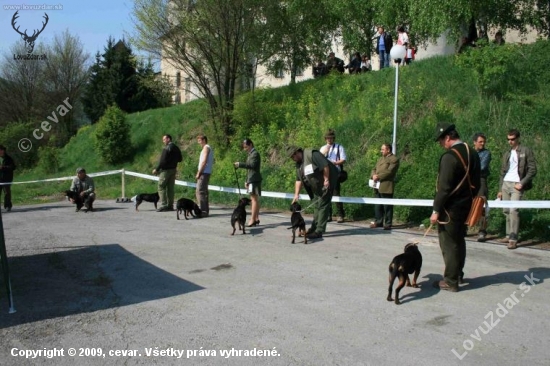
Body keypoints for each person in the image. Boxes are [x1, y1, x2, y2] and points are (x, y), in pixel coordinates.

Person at [431, 123, 480, 292]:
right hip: (467, 206)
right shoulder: (472, 153)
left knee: (449, 243)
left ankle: (451, 281)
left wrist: (436, 210)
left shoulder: (449, 157)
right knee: (459, 240)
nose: (440, 144)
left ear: (448, 137)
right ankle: (458, 274)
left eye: (441, 141)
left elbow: (444, 188)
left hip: (450, 209)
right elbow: (478, 182)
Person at [497, 129, 537, 249]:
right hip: (506, 183)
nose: (510, 141)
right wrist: (500, 188)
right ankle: (508, 234)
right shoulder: (507, 153)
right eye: (508, 139)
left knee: (514, 210)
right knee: (506, 210)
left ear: (518, 138)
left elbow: (532, 169)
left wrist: (522, 183)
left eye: (512, 139)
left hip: (516, 184)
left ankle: (513, 238)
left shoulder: (525, 150)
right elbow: (502, 172)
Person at [289, 145, 338, 239]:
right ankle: (313, 228)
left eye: (292, 156)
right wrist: (296, 194)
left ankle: (319, 231)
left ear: (296, 153)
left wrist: (326, 179)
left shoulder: (312, 154)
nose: (292, 159)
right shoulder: (299, 163)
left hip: (328, 180)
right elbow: (298, 180)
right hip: (316, 185)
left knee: (323, 205)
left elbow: (325, 165)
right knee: (317, 206)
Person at [369, 143, 400, 230]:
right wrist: (373, 175)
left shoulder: (394, 159)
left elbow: (389, 172)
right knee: (378, 205)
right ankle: (378, 222)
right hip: (377, 185)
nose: (381, 151)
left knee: (387, 206)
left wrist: (378, 176)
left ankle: (388, 223)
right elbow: (374, 169)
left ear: (388, 150)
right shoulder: (380, 159)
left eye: (383, 149)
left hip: (386, 185)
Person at [320, 129, 346, 223]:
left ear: (333, 138)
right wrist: (324, 153)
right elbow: (319, 159)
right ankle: (328, 215)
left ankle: (340, 214)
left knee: (336, 193)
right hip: (325, 173)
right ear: (325, 139)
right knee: (326, 194)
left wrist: (334, 163)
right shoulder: (323, 148)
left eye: (331, 138)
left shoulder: (339, 147)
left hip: (335, 172)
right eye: (328, 138)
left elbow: (343, 159)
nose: (329, 140)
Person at [234, 139, 262, 226]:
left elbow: (252, 166)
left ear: (251, 145)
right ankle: (256, 218)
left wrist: (240, 164)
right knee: (255, 199)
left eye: (246, 147)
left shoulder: (255, 154)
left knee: (253, 199)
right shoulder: (250, 154)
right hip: (252, 179)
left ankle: (253, 219)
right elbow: (249, 170)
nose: (245, 149)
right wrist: (247, 180)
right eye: (244, 147)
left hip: (254, 179)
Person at [153, 134, 182, 212]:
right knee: (170, 189)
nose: (163, 141)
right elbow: (180, 159)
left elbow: (162, 161)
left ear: (168, 139)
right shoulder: (176, 148)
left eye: (164, 139)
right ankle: (170, 205)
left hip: (165, 170)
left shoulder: (166, 148)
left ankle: (164, 205)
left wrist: (157, 169)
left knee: (161, 187)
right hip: (173, 170)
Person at [472, 133, 491, 242]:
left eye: (484, 142)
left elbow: (482, 167)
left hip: (480, 179)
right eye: (480, 142)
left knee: (482, 205)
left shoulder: (486, 153)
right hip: (469, 180)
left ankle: (482, 231)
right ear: (475, 142)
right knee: (466, 203)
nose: (483, 144)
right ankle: (464, 228)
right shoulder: (470, 152)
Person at [195, 134, 214, 217]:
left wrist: (199, 172)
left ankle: (203, 211)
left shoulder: (206, 148)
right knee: (203, 191)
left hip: (204, 172)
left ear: (204, 140)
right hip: (205, 172)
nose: (199, 142)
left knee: (200, 191)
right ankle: (205, 210)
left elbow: (204, 161)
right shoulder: (206, 148)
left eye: (199, 140)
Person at [0, 145, 16, 212]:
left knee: (7, 193)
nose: (1, 151)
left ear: (3, 150)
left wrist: (3, 167)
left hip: (6, 178)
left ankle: (7, 206)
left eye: (1, 150)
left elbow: (13, 167)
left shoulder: (9, 159)